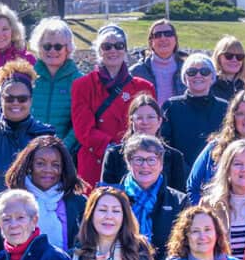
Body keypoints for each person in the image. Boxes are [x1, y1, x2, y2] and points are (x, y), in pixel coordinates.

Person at [71, 25, 155, 187]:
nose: (113, 50)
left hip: (135, 161)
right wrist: (115, 149)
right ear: (98, 51)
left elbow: (149, 126)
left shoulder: (144, 87)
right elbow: (84, 131)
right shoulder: (82, 85)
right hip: (95, 161)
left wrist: (130, 151)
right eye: (106, 46)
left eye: (119, 45)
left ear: (125, 50)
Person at [0, 135, 85, 253]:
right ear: (29, 165)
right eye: (40, 163)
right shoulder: (5, 201)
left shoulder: (79, 203)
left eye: (55, 165)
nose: (48, 169)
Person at [0, 61, 55, 198]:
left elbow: (57, 186)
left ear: (31, 100)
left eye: (22, 98)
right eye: (9, 98)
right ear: (1, 100)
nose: (15, 103)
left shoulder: (47, 137)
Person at [99, 94, 186, 191]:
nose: (145, 122)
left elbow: (179, 197)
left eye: (150, 117)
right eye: (139, 118)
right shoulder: (114, 155)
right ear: (131, 121)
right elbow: (106, 195)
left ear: (159, 121)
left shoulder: (174, 157)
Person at [26, 18, 83, 164]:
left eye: (58, 46)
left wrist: (61, 149)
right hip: (28, 154)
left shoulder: (80, 81)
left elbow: (80, 124)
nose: (52, 51)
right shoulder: (27, 77)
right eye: (47, 46)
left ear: (67, 48)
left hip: (65, 158)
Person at [161, 53, 227, 170]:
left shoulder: (225, 108)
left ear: (212, 77)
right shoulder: (171, 107)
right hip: (179, 175)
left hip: (217, 174)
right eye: (191, 72)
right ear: (184, 78)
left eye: (204, 71)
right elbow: (164, 145)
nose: (198, 75)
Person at [129, 18, 185, 105]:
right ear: (151, 42)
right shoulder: (135, 72)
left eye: (168, 34)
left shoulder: (188, 70)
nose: (163, 38)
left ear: (175, 39)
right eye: (157, 35)